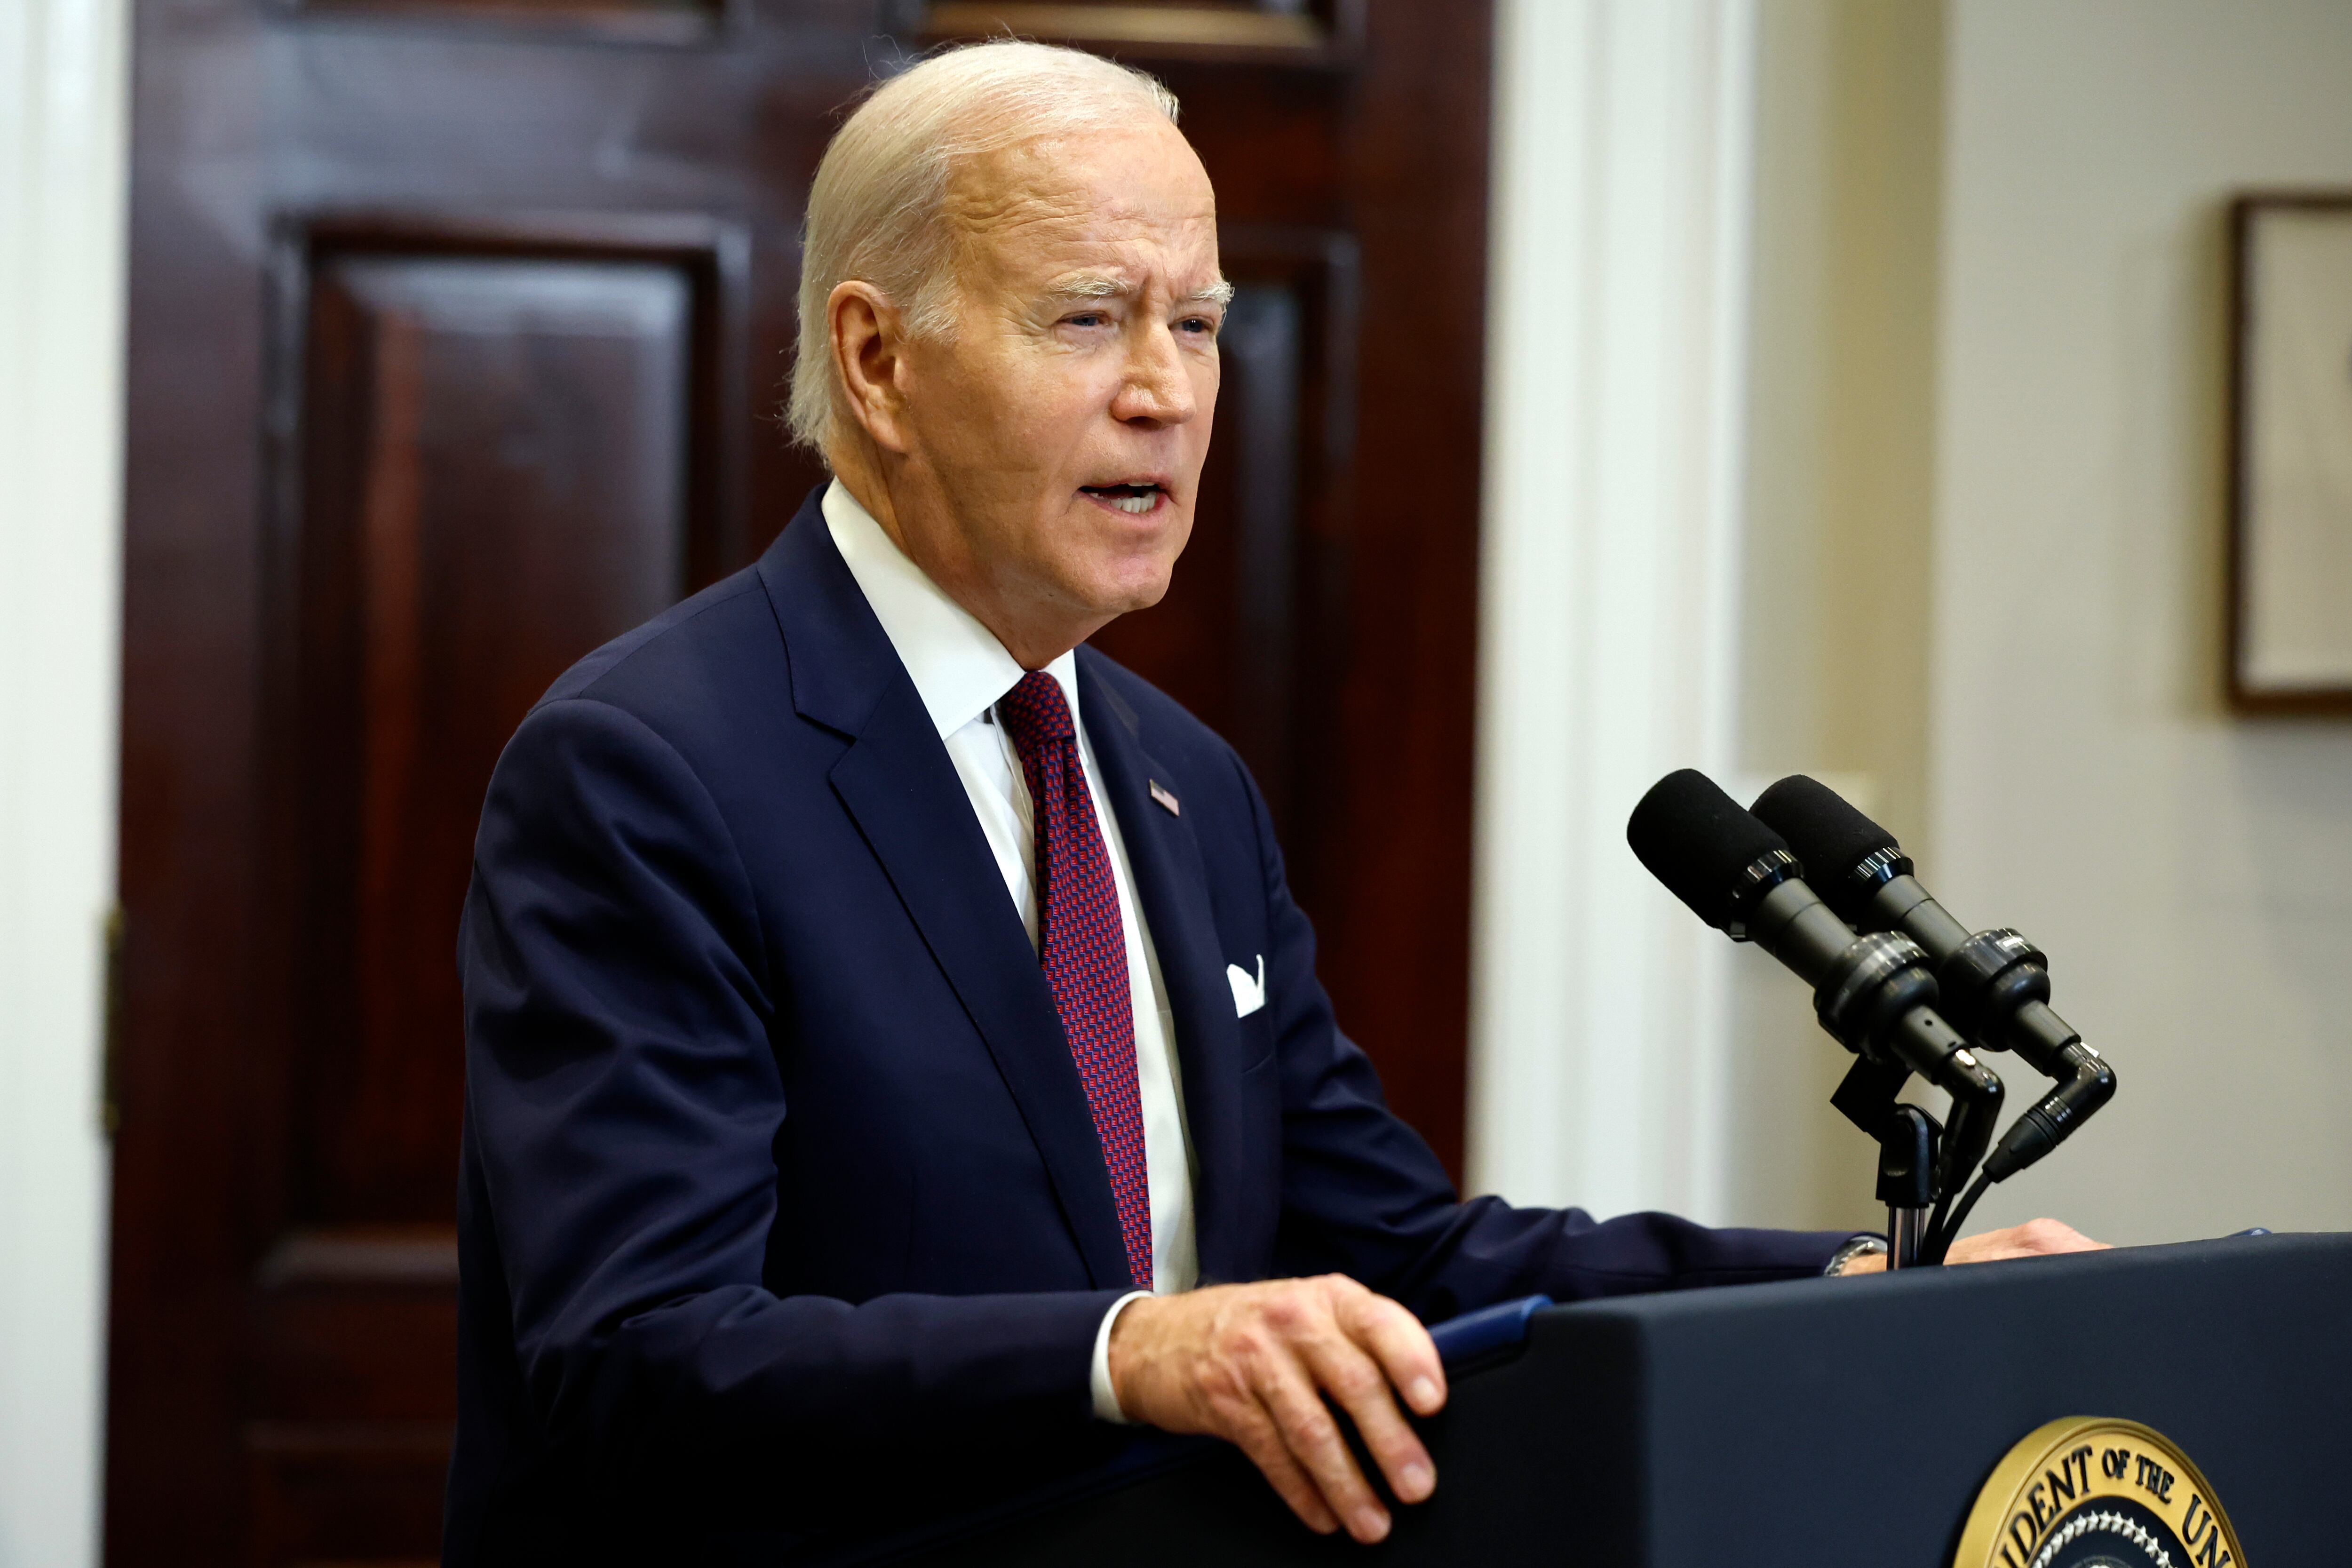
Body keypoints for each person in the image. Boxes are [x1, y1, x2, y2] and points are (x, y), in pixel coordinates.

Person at [442, 40, 2099, 1565]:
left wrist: (1850, 1290)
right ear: (877, 360)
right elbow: (642, 1358)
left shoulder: (1178, 782)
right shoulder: (651, 768)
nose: (1166, 391)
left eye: (1201, 323)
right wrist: (1133, 1348)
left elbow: (1393, 1250)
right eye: (1090, 318)